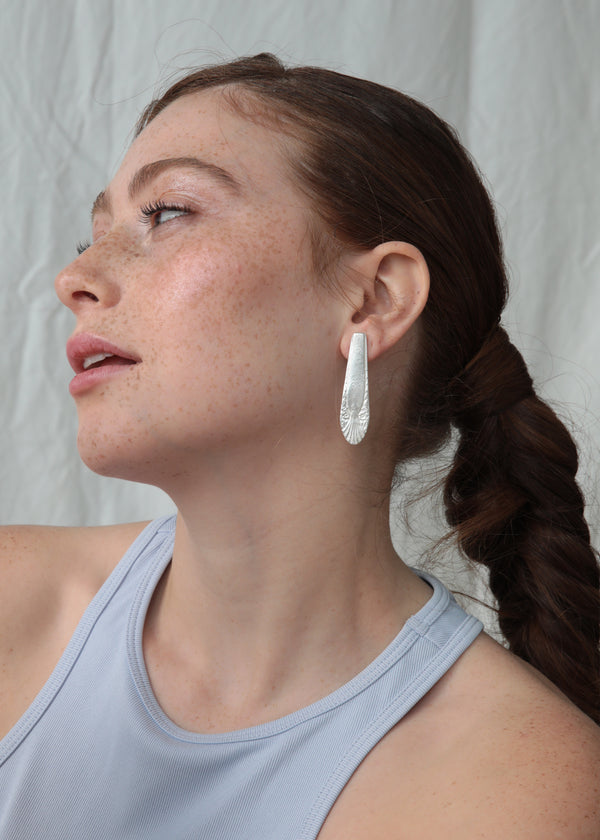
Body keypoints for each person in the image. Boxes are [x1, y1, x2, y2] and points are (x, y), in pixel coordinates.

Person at [1, 53, 599, 838]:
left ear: (373, 299)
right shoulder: (13, 602)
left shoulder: (519, 788)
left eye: (167, 212)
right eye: (99, 230)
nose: (75, 277)